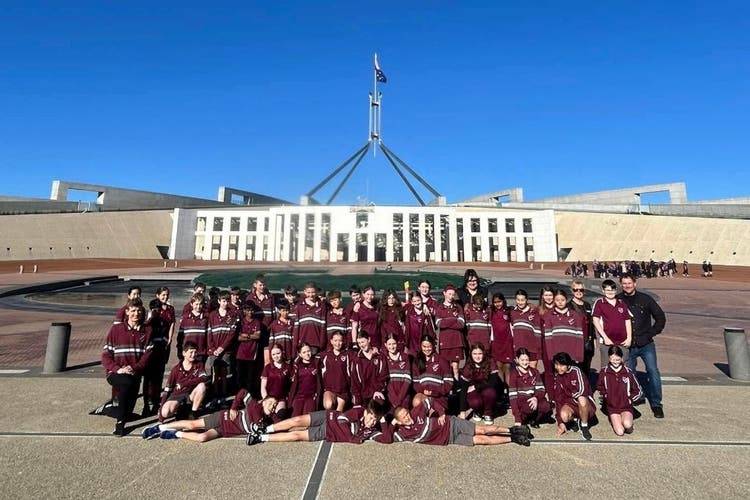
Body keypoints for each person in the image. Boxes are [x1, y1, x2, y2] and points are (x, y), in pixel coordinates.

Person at [618, 273, 667, 418]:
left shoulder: (645, 299)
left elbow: (660, 317)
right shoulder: (618, 300)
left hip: (646, 344)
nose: (627, 286)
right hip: (628, 345)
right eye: (624, 283)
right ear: (621, 284)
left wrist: (651, 333)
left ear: (635, 283)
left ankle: (656, 403)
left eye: (629, 283)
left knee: (653, 371)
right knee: (630, 372)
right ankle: (637, 396)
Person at [101, 299, 153, 436]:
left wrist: (134, 368)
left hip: (134, 373)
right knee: (126, 384)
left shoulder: (147, 330)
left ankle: (107, 409)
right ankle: (120, 424)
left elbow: (147, 356)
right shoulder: (116, 330)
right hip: (115, 372)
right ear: (127, 312)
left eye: (139, 311)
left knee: (128, 409)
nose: (136, 314)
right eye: (133, 311)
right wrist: (119, 369)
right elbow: (106, 355)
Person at [143, 390, 278, 442]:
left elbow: (281, 424)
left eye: (274, 406)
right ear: (264, 400)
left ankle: (176, 434)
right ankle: (160, 427)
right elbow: (243, 392)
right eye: (271, 402)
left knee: (202, 438)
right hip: (222, 417)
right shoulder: (254, 405)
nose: (272, 406)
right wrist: (233, 407)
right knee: (192, 424)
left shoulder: (267, 422)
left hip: (225, 431)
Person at [392, 397, 531, 446]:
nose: (407, 417)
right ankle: (514, 439)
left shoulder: (416, 412)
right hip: (451, 439)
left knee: (482, 430)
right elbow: (385, 437)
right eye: (403, 417)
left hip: (452, 423)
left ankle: (512, 430)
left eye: (406, 413)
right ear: (398, 421)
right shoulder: (404, 433)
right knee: (482, 440)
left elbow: (430, 400)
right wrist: (390, 423)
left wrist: (441, 413)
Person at [246, 398, 391, 445]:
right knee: (296, 420)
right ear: (366, 412)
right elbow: (342, 419)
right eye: (371, 417)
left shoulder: (370, 431)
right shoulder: (359, 410)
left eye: (375, 420)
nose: (372, 422)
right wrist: (351, 437)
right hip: (328, 416)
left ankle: (260, 437)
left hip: (327, 432)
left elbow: (387, 439)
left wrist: (383, 421)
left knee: (297, 436)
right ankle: (266, 429)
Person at [542, 289, 585, 391]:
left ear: (566, 300)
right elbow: (548, 337)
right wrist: (551, 355)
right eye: (557, 300)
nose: (560, 302)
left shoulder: (575, 316)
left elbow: (579, 336)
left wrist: (578, 355)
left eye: (562, 300)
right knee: (557, 378)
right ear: (554, 301)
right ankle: (556, 399)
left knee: (570, 377)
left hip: (571, 354)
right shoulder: (549, 316)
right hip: (557, 353)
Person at [597, 345, 643, 435]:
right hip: (612, 407)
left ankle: (628, 420)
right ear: (609, 358)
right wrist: (605, 395)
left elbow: (637, 390)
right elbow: (600, 386)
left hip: (626, 406)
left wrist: (630, 400)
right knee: (620, 432)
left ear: (621, 358)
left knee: (627, 425)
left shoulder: (628, 372)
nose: (615, 362)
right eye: (612, 359)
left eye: (617, 360)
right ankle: (616, 420)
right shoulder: (604, 372)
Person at [158, 341, 209, 422]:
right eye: (191, 352)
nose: (193, 355)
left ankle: (193, 413)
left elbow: (204, 378)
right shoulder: (175, 369)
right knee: (165, 412)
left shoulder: (199, 365)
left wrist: (185, 384)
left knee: (202, 386)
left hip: (190, 395)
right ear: (184, 353)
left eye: (195, 352)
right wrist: (160, 417)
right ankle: (181, 410)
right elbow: (167, 390)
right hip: (177, 395)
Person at [551, 352, 596, 440]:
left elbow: (583, 391)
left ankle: (584, 426)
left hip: (586, 404)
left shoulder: (576, 371)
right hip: (571, 404)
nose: (558, 368)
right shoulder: (558, 377)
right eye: (556, 365)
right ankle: (575, 420)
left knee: (581, 399)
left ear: (568, 364)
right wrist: (560, 422)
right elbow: (558, 399)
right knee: (564, 416)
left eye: (562, 365)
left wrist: (572, 397)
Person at [206, 290, 239, 401]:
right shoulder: (212, 315)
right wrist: (212, 348)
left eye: (227, 301)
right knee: (215, 374)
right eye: (223, 301)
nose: (225, 303)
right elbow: (209, 333)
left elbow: (231, 334)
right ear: (219, 301)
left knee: (224, 374)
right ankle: (215, 396)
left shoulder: (232, 315)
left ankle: (224, 396)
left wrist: (222, 348)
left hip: (226, 350)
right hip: (214, 350)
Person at [592, 279, 632, 368]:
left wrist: (629, 338)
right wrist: (605, 337)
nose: (610, 292)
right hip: (607, 342)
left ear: (616, 290)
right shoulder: (600, 303)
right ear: (603, 291)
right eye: (608, 290)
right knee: (606, 368)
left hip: (622, 342)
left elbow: (627, 320)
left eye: (613, 290)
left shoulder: (621, 303)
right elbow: (595, 320)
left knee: (623, 367)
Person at [508, 348, 551, 428]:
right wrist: (517, 418)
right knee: (527, 409)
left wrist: (536, 398)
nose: (525, 362)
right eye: (522, 360)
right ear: (517, 360)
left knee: (546, 406)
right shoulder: (514, 374)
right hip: (521, 402)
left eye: (527, 360)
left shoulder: (534, 372)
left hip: (532, 398)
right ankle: (523, 417)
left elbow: (541, 389)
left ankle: (534, 420)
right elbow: (512, 396)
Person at [411, 335, 453, 414]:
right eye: (424, 346)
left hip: (439, 396)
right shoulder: (417, 362)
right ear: (421, 346)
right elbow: (415, 382)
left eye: (429, 346)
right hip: (424, 395)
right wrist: (423, 391)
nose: (427, 349)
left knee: (434, 417)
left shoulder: (441, 360)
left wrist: (435, 392)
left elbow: (449, 382)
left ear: (433, 345)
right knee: (417, 401)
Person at [458, 343, 498, 424]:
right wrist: (462, 411)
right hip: (474, 392)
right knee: (475, 402)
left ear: (483, 353)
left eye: (480, 353)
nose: (477, 356)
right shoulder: (468, 367)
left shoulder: (490, 362)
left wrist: (476, 386)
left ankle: (488, 413)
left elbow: (493, 382)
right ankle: (478, 412)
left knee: (490, 393)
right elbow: (464, 389)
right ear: (471, 354)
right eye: (475, 354)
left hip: (486, 388)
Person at [433, 284, 466, 380]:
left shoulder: (458, 307)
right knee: (445, 367)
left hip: (457, 341)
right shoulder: (440, 308)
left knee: (455, 368)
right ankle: (448, 388)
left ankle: (456, 388)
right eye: (449, 294)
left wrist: (446, 320)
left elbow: (461, 324)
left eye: (453, 294)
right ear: (444, 293)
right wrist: (453, 319)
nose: (451, 296)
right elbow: (439, 323)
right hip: (445, 343)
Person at [350, 331, 388, 407]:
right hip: (363, 396)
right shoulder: (356, 359)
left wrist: (377, 391)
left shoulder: (380, 356)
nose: (361, 345)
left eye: (363, 342)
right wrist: (357, 401)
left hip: (377, 394)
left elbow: (383, 377)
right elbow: (355, 382)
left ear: (369, 340)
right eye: (359, 343)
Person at [320, 331, 354, 411]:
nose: (338, 343)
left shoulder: (348, 354)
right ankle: (328, 422)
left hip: (343, 391)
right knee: (328, 405)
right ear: (331, 341)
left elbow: (360, 354)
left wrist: (374, 349)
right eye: (335, 341)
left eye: (340, 341)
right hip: (330, 389)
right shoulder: (326, 355)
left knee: (338, 413)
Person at [510, 289, 543, 369]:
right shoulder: (512, 312)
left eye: (522, 300)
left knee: (532, 372)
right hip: (518, 348)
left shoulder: (534, 312)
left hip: (532, 349)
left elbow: (538, 332)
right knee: (520, 373)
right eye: (518, 300)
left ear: (526, 299)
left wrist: (538, 350)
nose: (520, 302)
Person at [568, 280, 595, 375]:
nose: (578, 292)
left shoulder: (587, 305)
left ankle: (586, 387)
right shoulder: (569, 306)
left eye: (581, 289)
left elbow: (591, 323)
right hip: (575, 341)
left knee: (587, 366)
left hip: (587, 340)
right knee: (575, 367)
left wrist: (593, 340)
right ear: (572, 291)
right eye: (576, 289)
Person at [292, 281, 327, 356]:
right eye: (308, 292)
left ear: (317, 292)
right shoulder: (300, 306)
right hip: (303, 343)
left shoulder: (322, 306)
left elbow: (323, 327)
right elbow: (296, 326)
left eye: (313, 292)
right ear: (304, 292)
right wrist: (295, 342)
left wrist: (321, 343)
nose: (311, 295)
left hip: (315, 343)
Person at [236, 304, 263, 398]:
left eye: (251, 310)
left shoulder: (257, 322)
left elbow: (258, 336)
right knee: (240, 377)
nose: (250, 312)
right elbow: (238, 337)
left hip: (252, 354)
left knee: (250, 377)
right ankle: (240, 396)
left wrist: (246, 335)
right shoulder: (241, 322)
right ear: (244, 311)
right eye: (248, 310)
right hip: (240, 354)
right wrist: (251, 336)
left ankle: (249, 397)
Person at [489, 292, 513, 392]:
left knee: (507, 367)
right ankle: (501, 390)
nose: (497, 304)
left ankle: (508, 391)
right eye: (495, 302)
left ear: (503, 301)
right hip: (496, 343)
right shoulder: (491, 311)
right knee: (499, 366)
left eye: (499, 301)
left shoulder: (508, 311)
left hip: (507, 342)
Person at [288, 342, 321, 416]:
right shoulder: (296, 366)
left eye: (308, 351)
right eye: (304, 352)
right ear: (300, 354)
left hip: (311, 397)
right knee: (295, 418)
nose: (307, 354)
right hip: (298, 397)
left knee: (307, 418)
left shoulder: (316, 363)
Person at [260, 344, 292, 415]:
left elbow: (291, 384)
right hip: (269, 397)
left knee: (281, 414)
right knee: (267, 413)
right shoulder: (267, 368)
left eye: (278, 353)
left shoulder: (288, 367)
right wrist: (266, 399)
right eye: (273, 354)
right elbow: (263, 387)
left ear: (282, 353)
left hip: (281, 398)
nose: (276, 356)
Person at [384, 333, 413, 409]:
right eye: (389, 344)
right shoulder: (384, 358)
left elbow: (408, 379)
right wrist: (394, 399)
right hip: (390, 397)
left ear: (397, 343)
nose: (392, 347)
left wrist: (399, 398)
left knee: (403, 415)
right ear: (385, 345)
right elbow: (386, 381)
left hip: (404, 396)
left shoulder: (404, 357)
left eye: (394, 344)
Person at [176, 293, 208, 361]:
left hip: (201, 352)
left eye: (200, 304)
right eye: (196, 304)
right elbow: (180, 336)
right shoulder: (185, 318)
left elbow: (208, 336)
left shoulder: (206, 318)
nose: (198, 306)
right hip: (188, 352)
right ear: (191, 304)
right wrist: (179, 349)